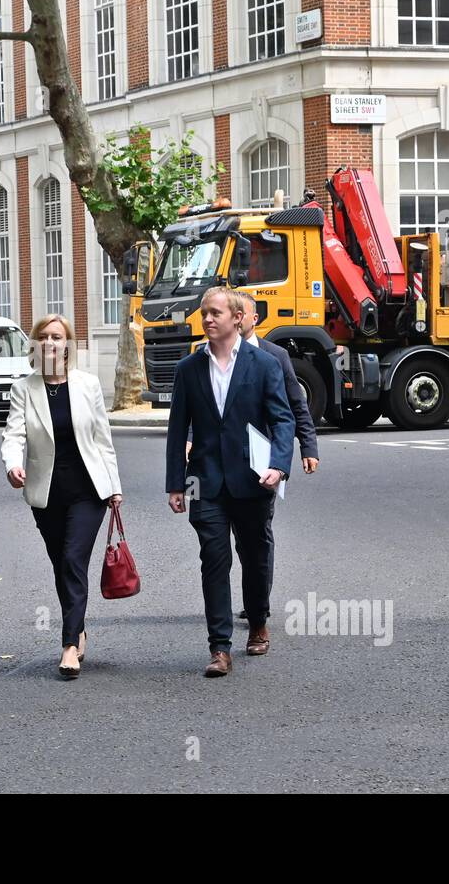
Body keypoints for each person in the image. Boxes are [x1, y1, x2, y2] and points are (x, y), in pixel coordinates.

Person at [165, 286, 295, 677]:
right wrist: (175, 484)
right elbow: (177, 430)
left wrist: (279, 464)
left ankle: (258, 620)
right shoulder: (188, 369)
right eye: (204, 312)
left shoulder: (264, 363)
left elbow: (282, 419)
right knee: (213, 559)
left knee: (254, 556)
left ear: (237, 318)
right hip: (202, 482)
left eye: (215, 313)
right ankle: (219, 647)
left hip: (253, 478)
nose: (207, 319)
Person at [1, 314, 123, 680]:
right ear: (35, 345)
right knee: (62, 564)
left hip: (88, 490)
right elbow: (13, 435)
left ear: (68, 344)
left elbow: (103, 441)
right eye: (45, 337)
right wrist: (12, 464)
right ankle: (79, 625)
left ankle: (69, 644)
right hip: (47, 492)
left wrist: (114, 487)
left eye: (58, 337)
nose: (51, 343)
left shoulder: (87, 385)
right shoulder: (25, 389)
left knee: (73, 558)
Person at [233, 291, 319, 636]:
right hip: (222, 461)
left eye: (242, 313)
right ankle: (250, 599)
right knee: (230, 541)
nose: (235, 318)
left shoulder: (276, 356)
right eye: (231, 312)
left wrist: (307, 446)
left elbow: (295, 406)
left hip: (261, 460)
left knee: (255, 537)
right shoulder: (210, 355)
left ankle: (258, 609)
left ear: (255, 319)